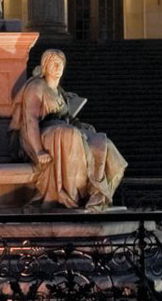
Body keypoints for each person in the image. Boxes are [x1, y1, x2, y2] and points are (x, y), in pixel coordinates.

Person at [11, 49, 127, 210]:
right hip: (43, 133)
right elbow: (30, 121)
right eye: (53, 63)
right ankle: (72, 196)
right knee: (71, 134)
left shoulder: (60, 92)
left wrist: (81, 126)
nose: (58, 67)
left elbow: (68, 118)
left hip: (63, 128)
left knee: (103, 142)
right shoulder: (36, 86)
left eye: (61, 64)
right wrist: (38, 151)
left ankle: (96, 195)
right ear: (45, 66)